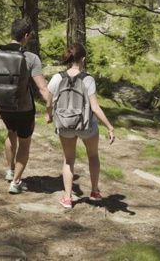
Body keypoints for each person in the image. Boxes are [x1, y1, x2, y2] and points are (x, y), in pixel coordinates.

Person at [0, 19, 50, 194]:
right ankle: (16, 182)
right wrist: (52, 107)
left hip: (3, 105)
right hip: (24, 108)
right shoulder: (31, 58)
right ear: (26, 35)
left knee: (11, 133)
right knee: (24, 142)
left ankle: (10, 171)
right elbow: (42, 87)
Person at [45, 43, 116, 209]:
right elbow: (95, 108)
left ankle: (68, 198)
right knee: (93, 156)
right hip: (86, 125)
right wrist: (109, 127)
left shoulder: (57, 77)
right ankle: (94, 192)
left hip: (64, 124)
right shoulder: (88, 79)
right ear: (83, 59)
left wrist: (50, 116)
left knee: (69, 160)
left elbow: (49, 103)